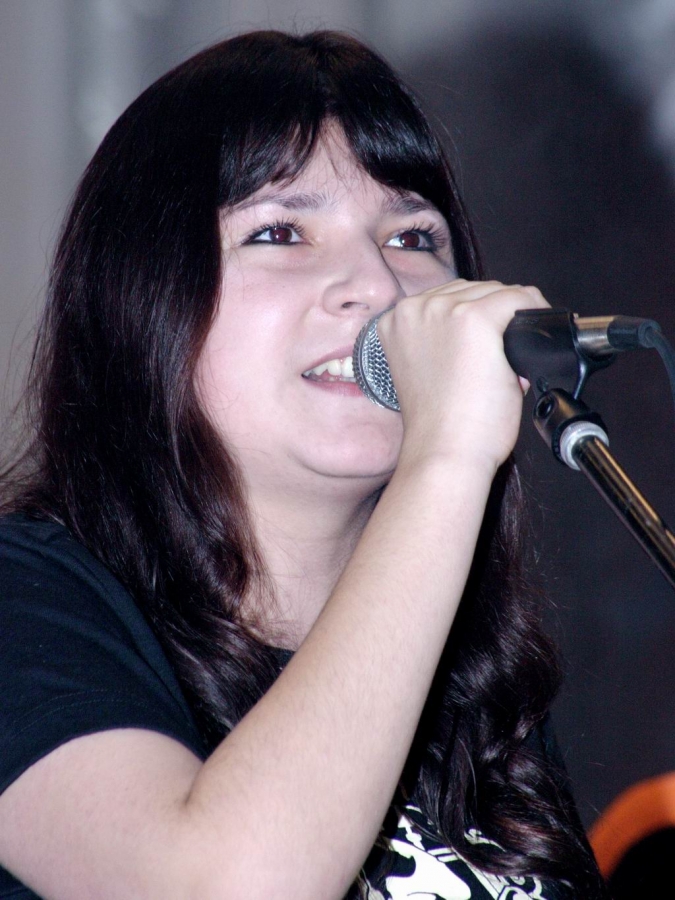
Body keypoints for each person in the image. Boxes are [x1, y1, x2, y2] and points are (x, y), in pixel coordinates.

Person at [0, 30, 606, 899]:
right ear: (139, 293)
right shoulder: (28, 602)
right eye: (281, 231)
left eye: (413, 236)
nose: (377, 285)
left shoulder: (465, 676)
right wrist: (445, 459)